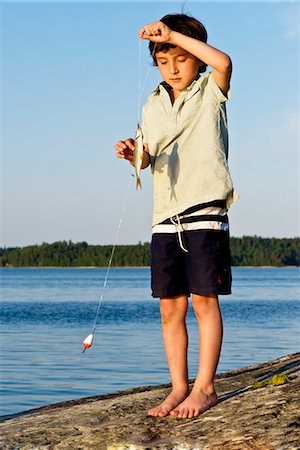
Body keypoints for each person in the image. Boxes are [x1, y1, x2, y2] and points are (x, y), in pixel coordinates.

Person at [114, 13, 238, 419]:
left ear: (195, 59)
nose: (173, 68)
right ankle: (179, 387)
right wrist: (135, 155)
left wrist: (173, 34)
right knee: (170, 306)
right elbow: (148, 157)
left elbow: (224, 63)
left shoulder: (209, 88)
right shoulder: (152, 102)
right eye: (164, 60)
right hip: (165, 216)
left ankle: (205, 388)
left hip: (204, 210)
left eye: (181, 59)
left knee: (205, 300)